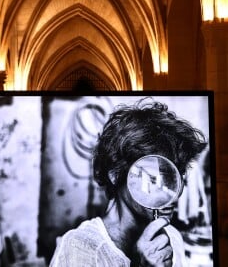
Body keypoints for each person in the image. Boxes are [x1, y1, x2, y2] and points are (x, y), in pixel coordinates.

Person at [49, 98, 207, 267]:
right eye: (152, 179)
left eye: (173, 178)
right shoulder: (79, 249)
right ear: (115, 174)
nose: (171, 196)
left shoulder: (171, 238)